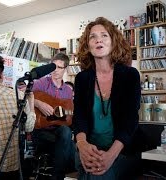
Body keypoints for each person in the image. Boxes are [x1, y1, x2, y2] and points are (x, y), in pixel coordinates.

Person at [73, 17, 142, 179]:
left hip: (123, 150)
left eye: (104, 35)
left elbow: (130, 120)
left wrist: (110, 155)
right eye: (93, 37)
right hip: (90, 149)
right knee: (92, 168)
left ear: (113, 41)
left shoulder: (130, 75)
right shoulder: (82, 78)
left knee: (96, 174)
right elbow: (79, 116)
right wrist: (82, 144)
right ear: (87, 46)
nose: (98, 40)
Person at [31, 52, 75, 180]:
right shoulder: (41, 83)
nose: (55, 70)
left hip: (58, 130)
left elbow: (68, 115)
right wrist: (39, 104)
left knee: (66, 132)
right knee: (68, 141)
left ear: (65, 69)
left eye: (59, 67)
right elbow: (21, 92)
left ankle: (57, 176)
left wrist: (68, 115)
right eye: (53, 66)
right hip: (40, 130)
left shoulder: (68, 90)